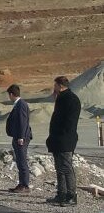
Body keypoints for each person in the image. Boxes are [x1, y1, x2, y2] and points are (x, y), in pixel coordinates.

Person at [45, 76, 81, 206]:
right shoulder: (62, 98)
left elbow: (69, 123)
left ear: (60, 86)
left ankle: (71, 195)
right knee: (59, 168)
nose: (53, 88)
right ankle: (61, 193)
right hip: (57, 139)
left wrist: (61, 136)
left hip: (65, 139)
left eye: (55, 85)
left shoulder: (70, 99)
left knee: (66, 167)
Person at [5, 84, 32, 193]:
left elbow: (22, 122)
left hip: (21, 138)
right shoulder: (19, 104)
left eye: (9, 95)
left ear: (11, 94)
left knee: (22, 161)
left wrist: (21, 137)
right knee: (20, 160)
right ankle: (22, 183)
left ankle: (24, 185)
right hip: (18, 136)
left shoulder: (20, 105)